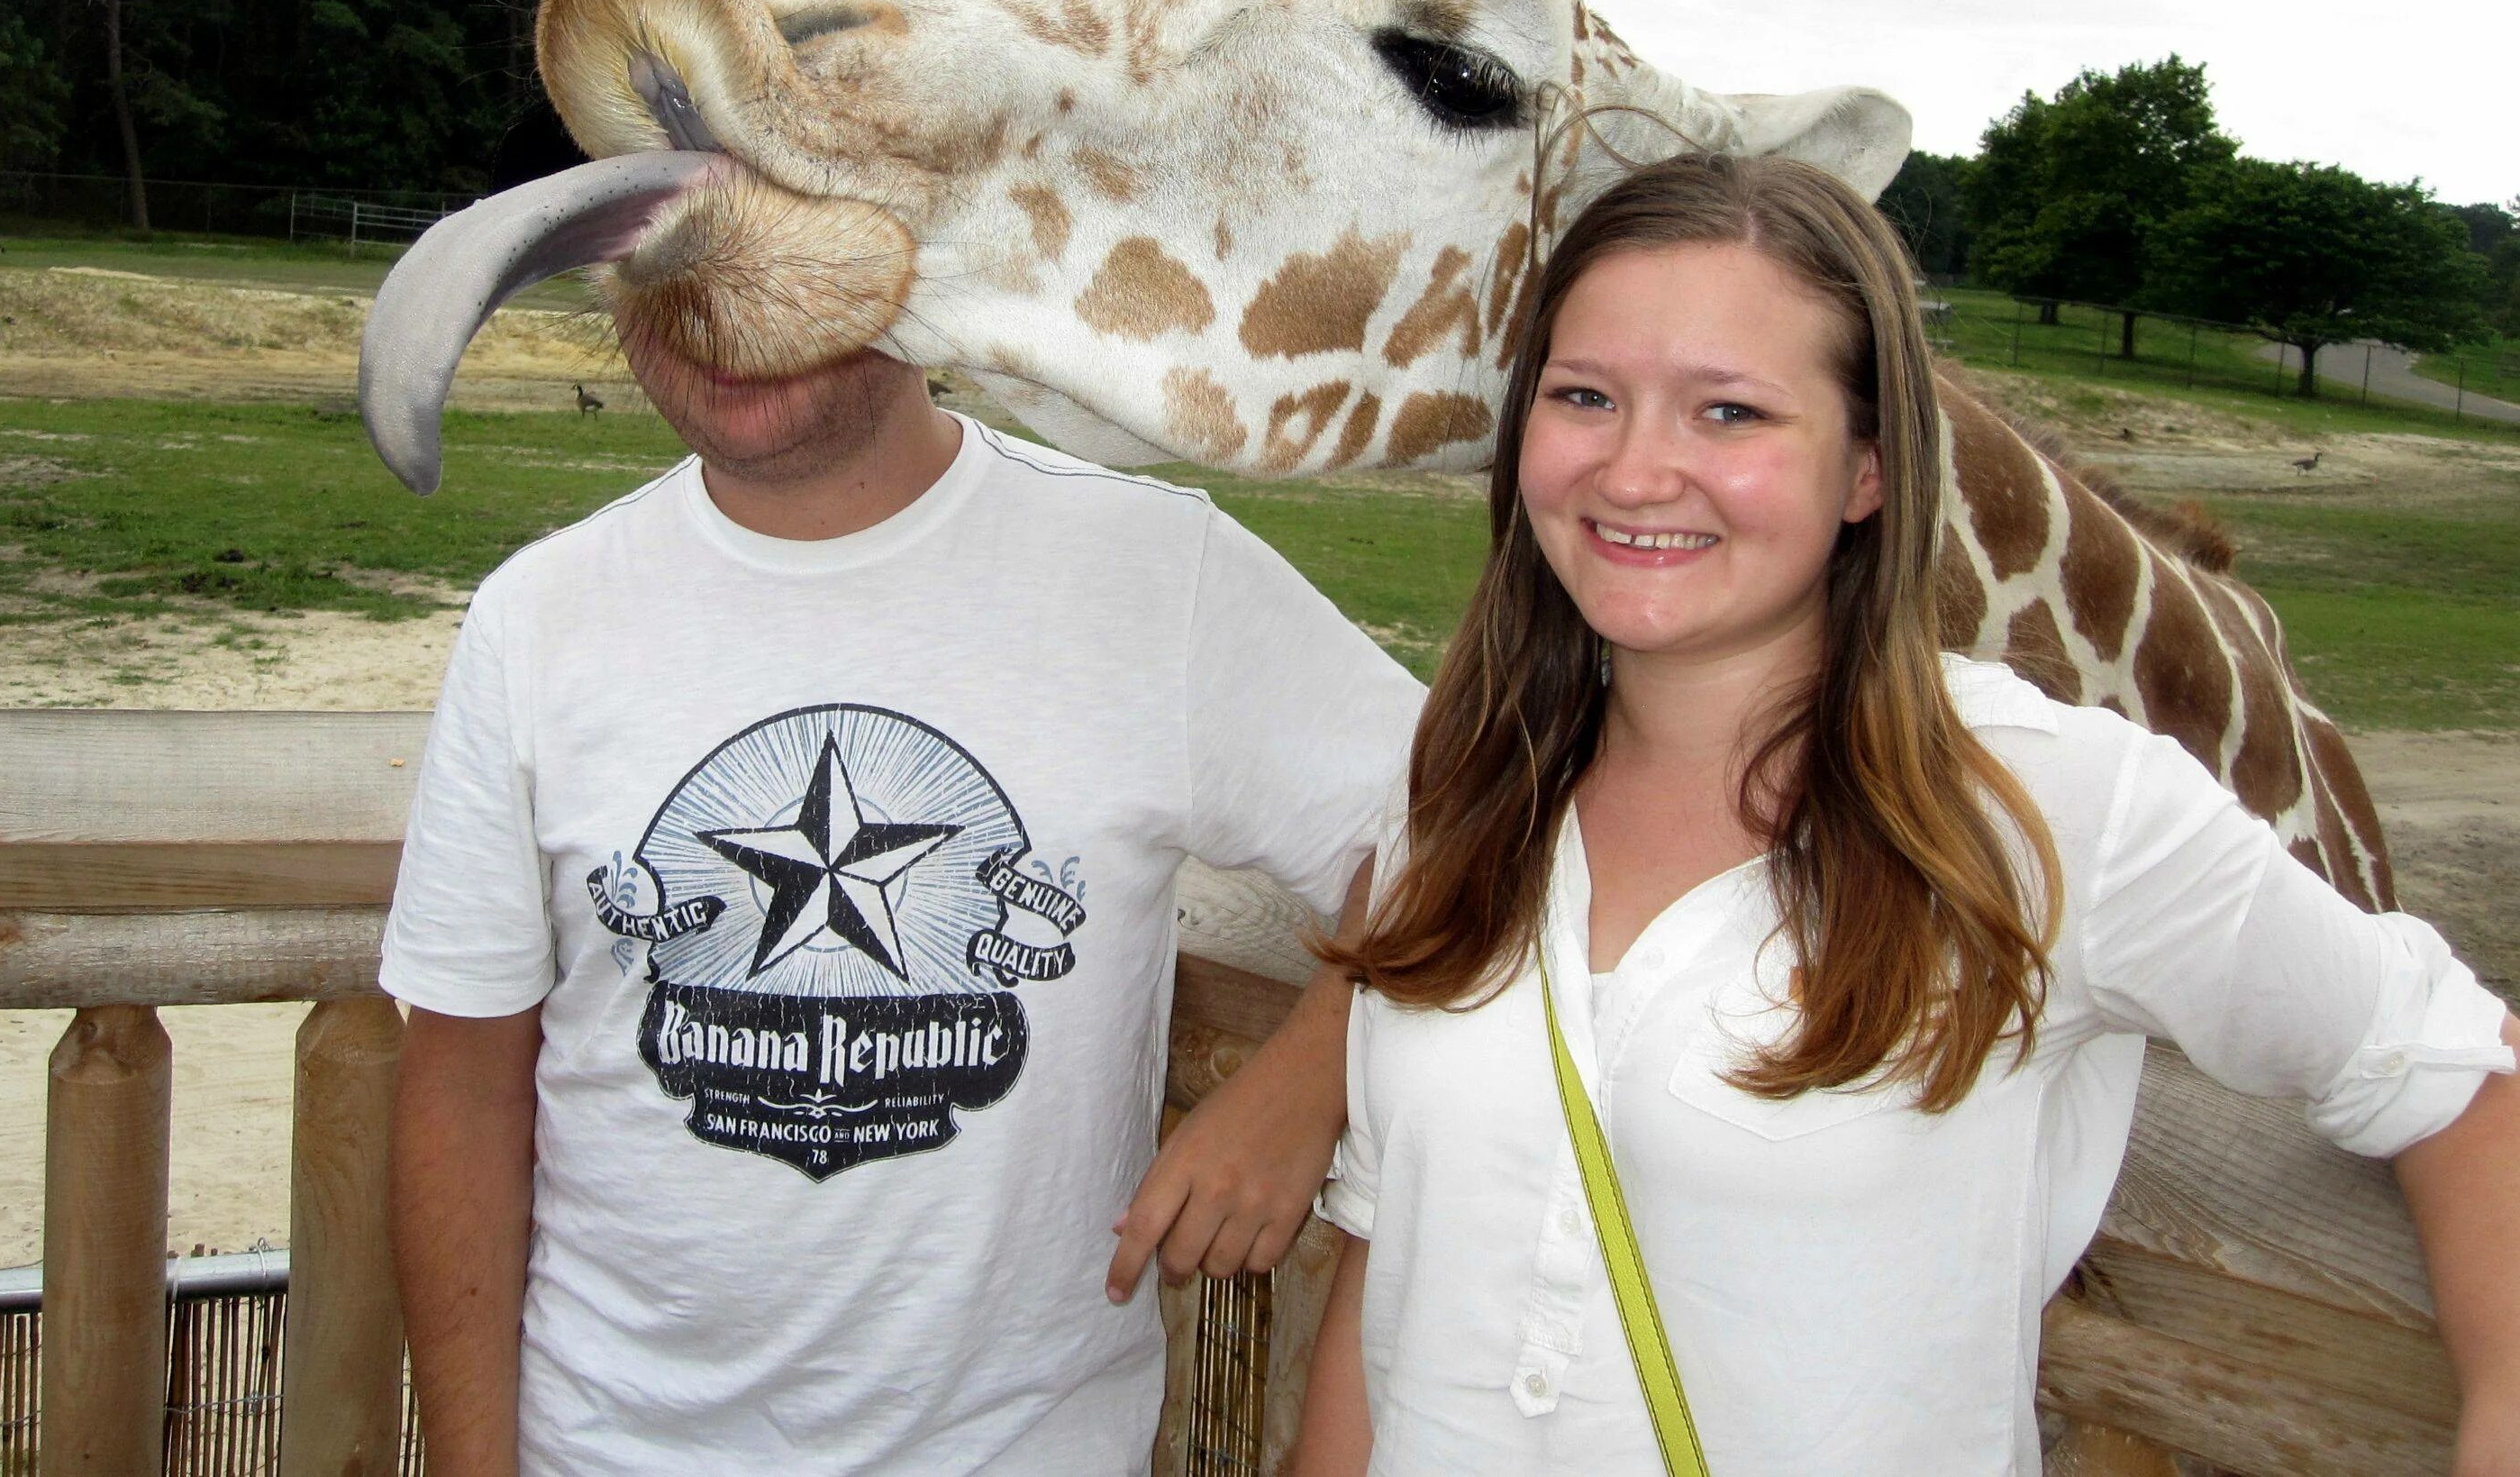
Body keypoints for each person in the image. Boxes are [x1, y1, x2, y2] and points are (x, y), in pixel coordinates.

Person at [1294, 152, 2520, 1474]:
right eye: (1585, 395)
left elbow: (2451, 1071)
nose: (1637, 470)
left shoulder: (2048, 804)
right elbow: (1398, 1248)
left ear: (1867, 470)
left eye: (1730, 413)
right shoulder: (1472, 785)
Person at [383, 338, 1418, 1475]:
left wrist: (1317, 1069)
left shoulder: (1156, 578)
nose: (723, 320)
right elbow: (464, 1088)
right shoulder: (534, 620)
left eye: (782, 259)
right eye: (666, 270)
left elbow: (1472, 803)